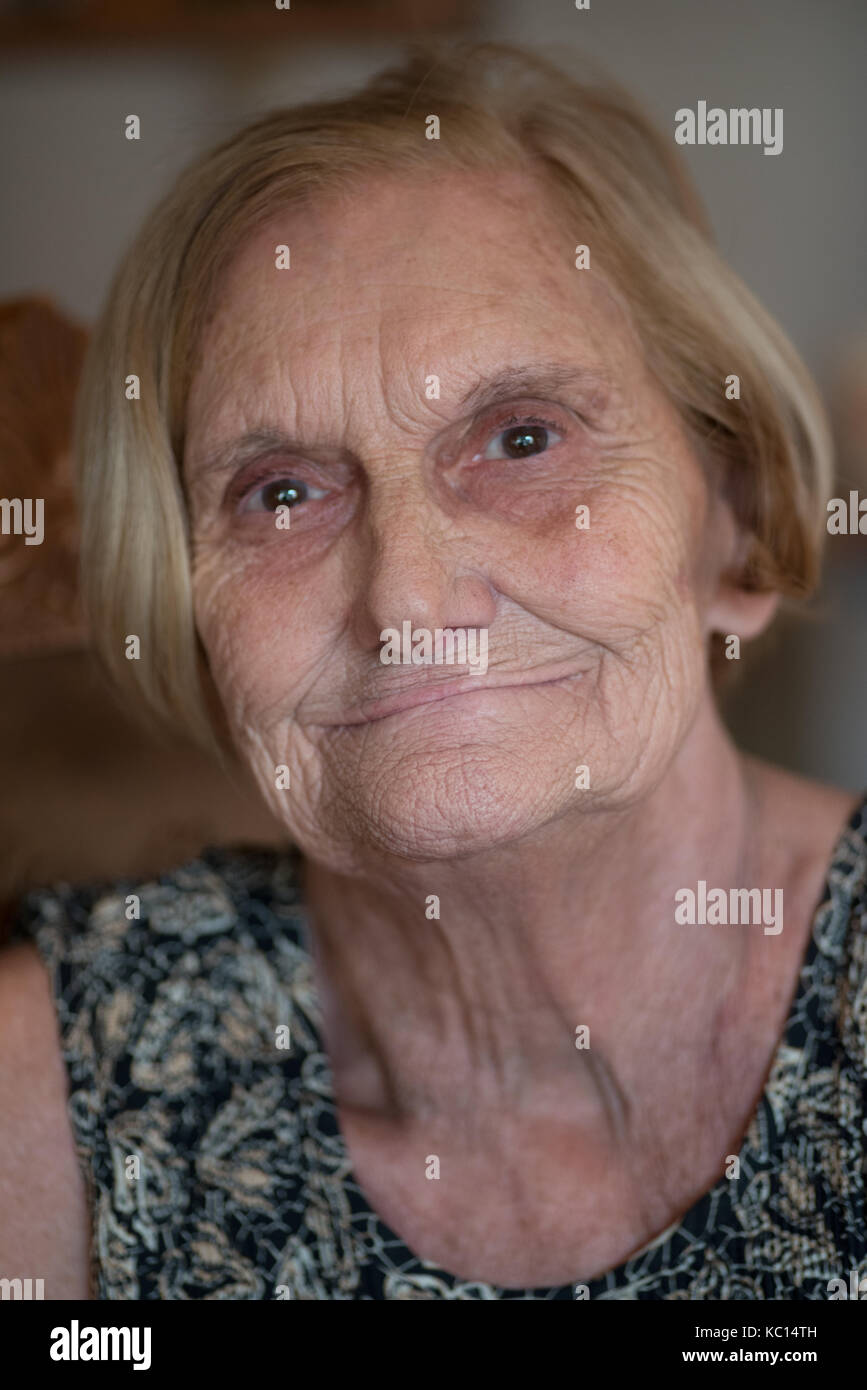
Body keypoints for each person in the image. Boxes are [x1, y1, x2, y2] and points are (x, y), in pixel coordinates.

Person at [2, 42, 864, 1301]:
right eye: (282, 491)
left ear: (736, 516)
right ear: (191, 619)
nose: (405, 597)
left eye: (522, 437)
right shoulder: (47, 1089)